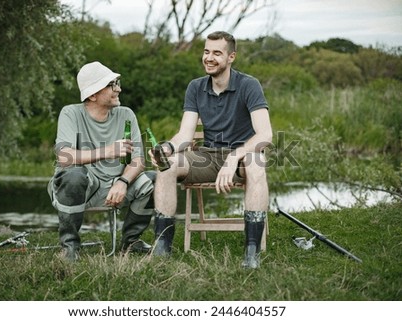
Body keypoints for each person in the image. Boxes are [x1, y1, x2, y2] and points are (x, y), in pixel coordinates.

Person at [149, 31, 273, 269]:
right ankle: (162, 249)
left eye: (217, 53)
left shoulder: (249, 85)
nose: (209, 57)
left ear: (231, 57)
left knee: (257, 165)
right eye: (207, 51)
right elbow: (185, 135)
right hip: (207, 156)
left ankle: (251, 253)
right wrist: (167, 147)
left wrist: (234, 157)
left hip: (243, 160)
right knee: (167, 166)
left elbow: (265, 135)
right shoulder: (195, 87)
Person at [48, 61, 155, 261]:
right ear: (92, 94)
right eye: (112, 85)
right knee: (73, 174)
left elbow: (138, 160)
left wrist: (123, 182)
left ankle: (131, 242)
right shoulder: (70, 113)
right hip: (81, 186)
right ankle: (69, 246)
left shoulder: (126, 114)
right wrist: (109, 150)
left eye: (117, 83)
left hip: (116, 186)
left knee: (155, 180)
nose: (119, 89)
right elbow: (65, 157)